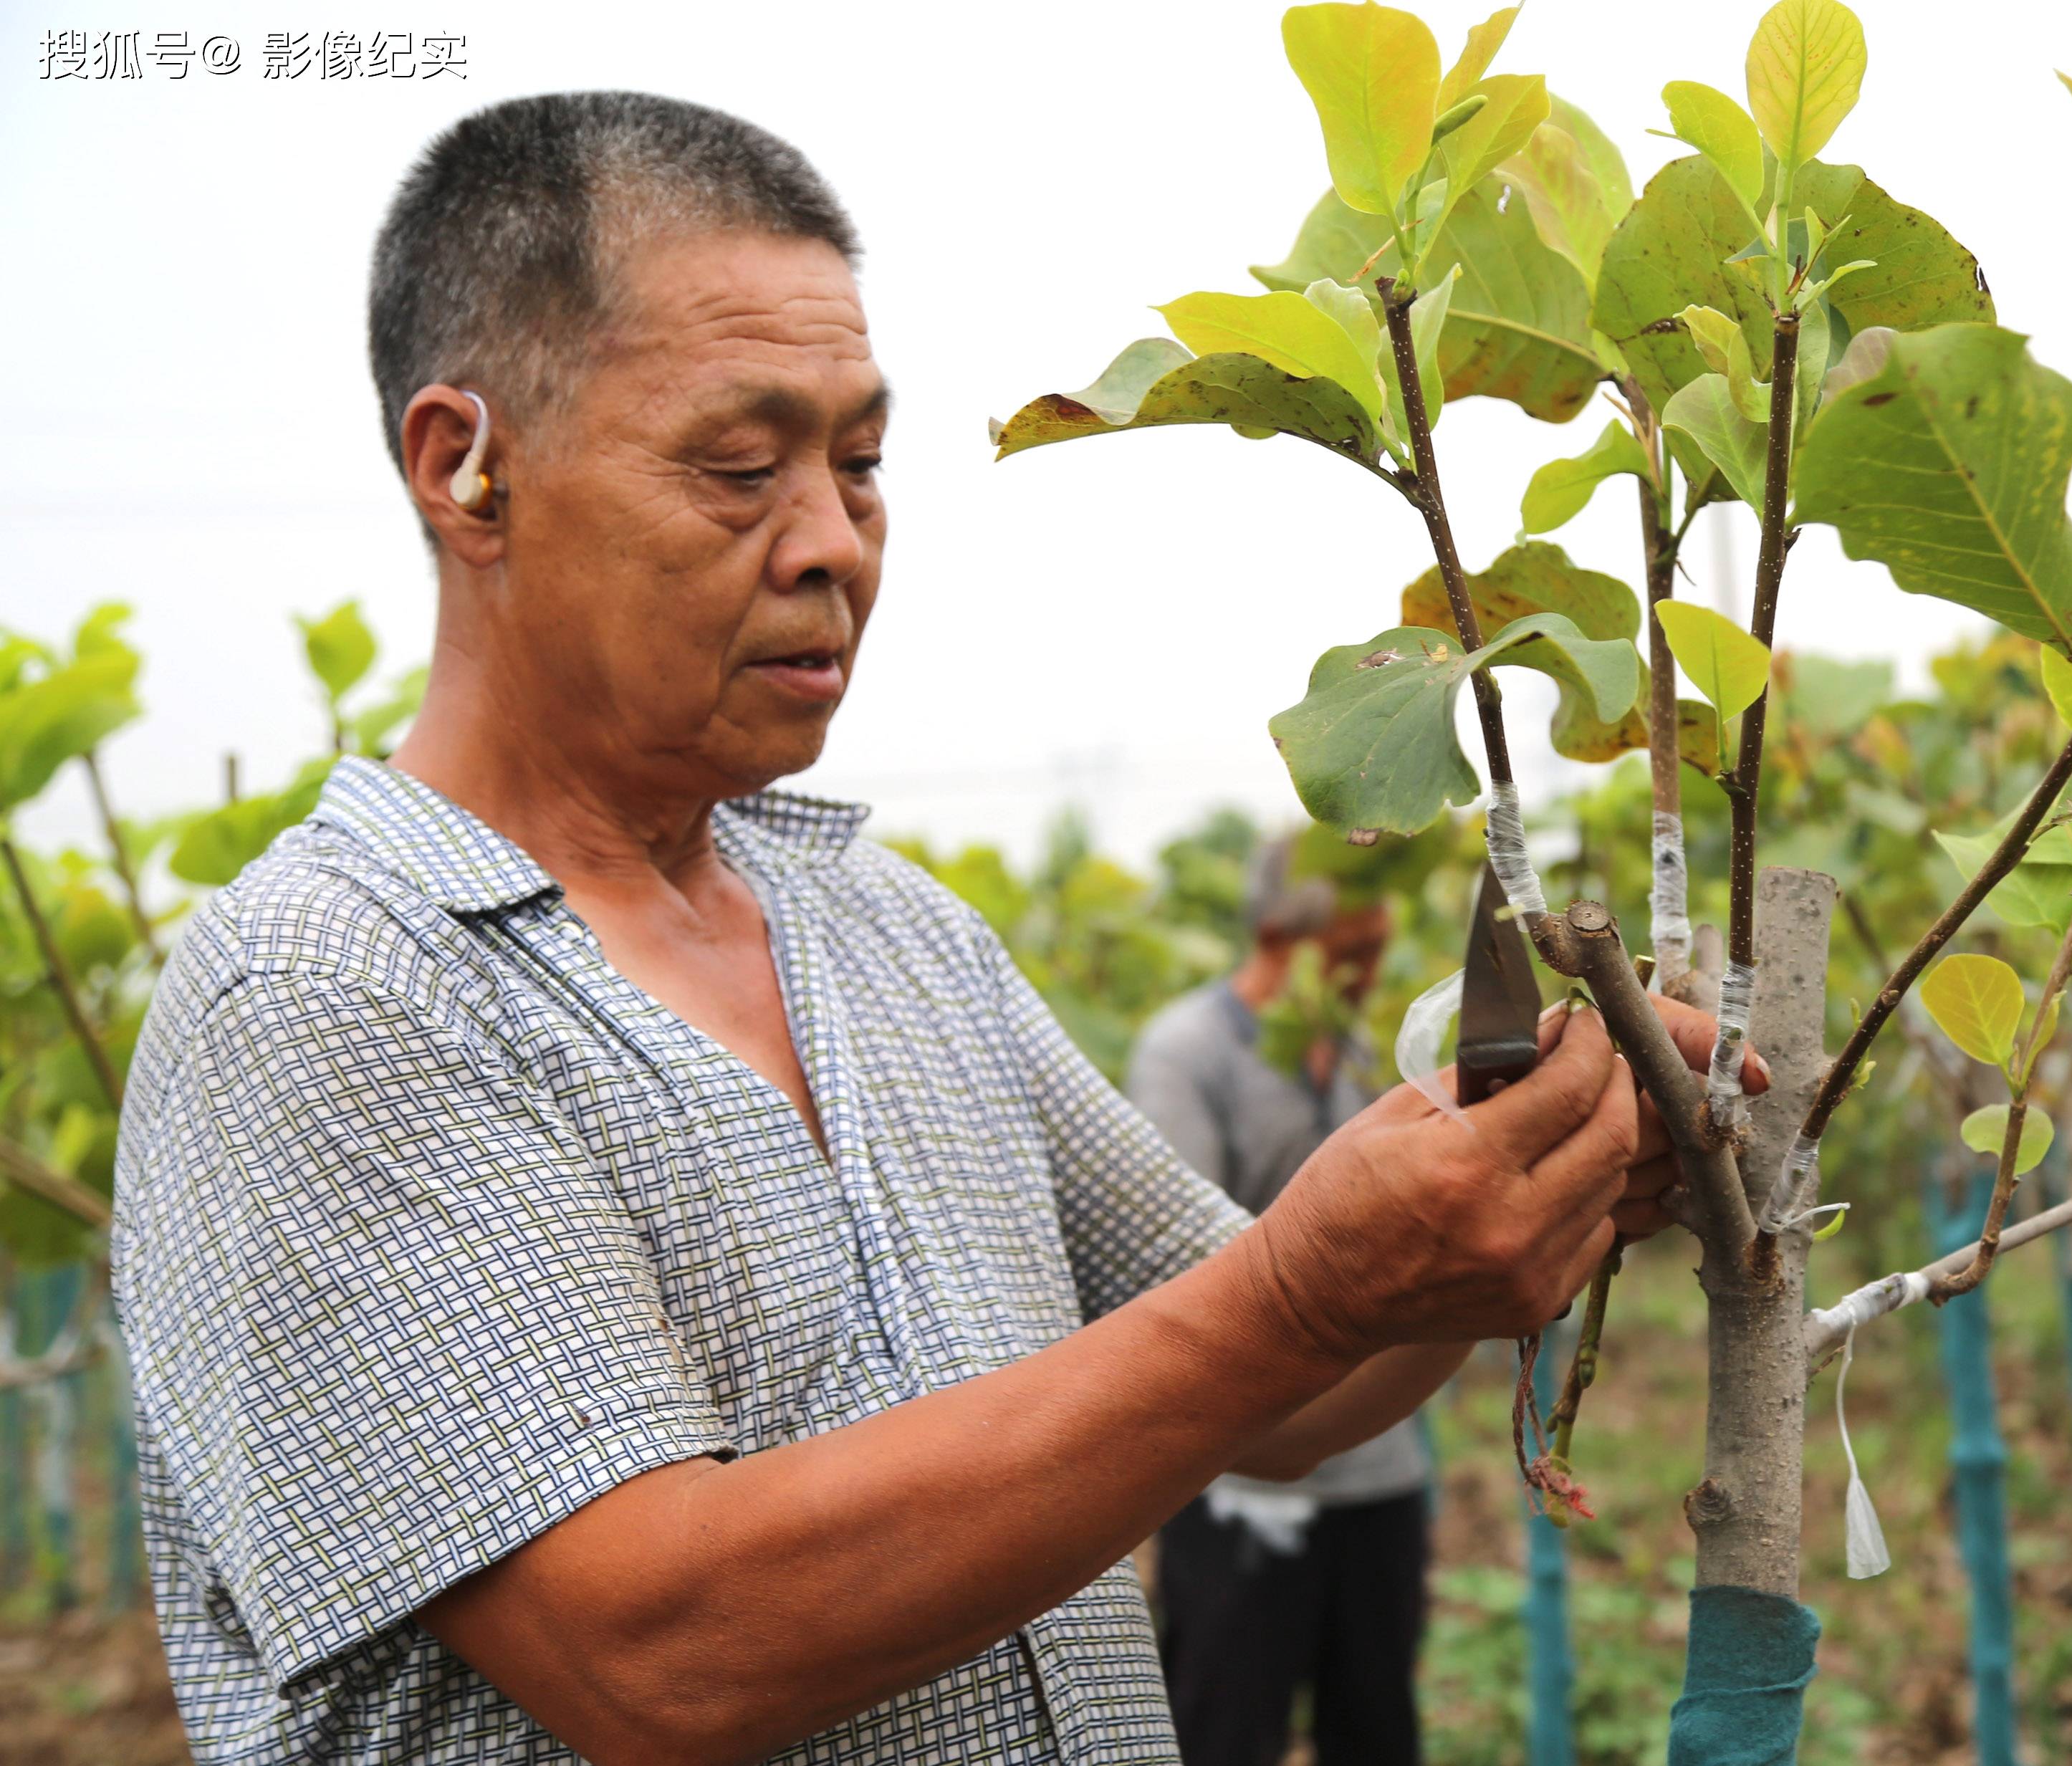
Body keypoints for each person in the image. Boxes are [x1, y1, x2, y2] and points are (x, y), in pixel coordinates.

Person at [103, 92, 1757, 1766]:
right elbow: (657, 1653)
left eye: (860, 463)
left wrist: (1521, 1171)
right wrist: (1306, 1295)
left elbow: (1286, 1392)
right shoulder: (328, 991)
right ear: (468, 468)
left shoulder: (893, 936)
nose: (831, 544)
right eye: (741, 468)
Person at [1125, 839, 1425, 1766]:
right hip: (1235, 1480)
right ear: (1272, 933)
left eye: (1375, 952)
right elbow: (1185, 1273)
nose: (1364, 975)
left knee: (1375, 1728)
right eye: (1347, 953)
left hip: (1380, 1471)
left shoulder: (1364, 1051)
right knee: (1224, 1732)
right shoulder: (1187, 1053)